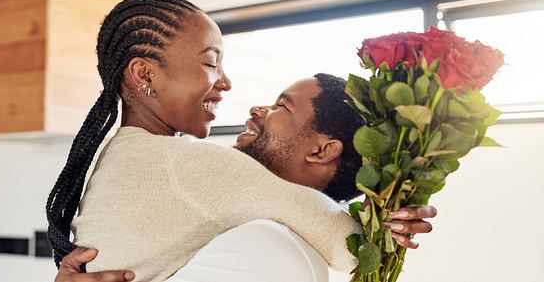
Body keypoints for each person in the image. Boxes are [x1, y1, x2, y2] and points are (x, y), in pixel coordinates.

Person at [53, 74, 437, 282]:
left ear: (321, 151)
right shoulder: (239, 231)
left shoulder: (265, 246)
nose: (257, 109)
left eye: (281, 106)